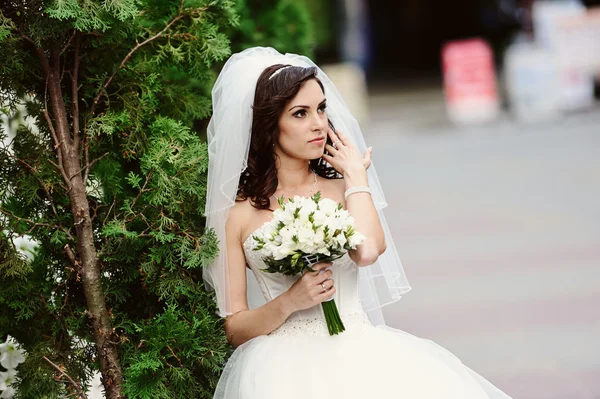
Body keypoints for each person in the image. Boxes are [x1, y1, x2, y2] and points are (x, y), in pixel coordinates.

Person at [203, 47, 513, 398]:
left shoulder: (341, 188)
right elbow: (234, 327)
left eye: (321, 109)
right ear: (269, 125)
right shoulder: (239, 214)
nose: (318, 123)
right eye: (300, 114)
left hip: (360, 352)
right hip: (283, 372)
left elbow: (367, 252)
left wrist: (355, 178)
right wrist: (289, 301)